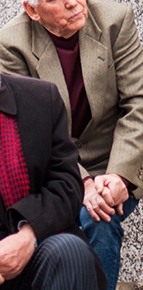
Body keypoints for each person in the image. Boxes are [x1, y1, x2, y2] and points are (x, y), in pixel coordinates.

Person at [0, 0, 143, 290]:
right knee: (78, 227)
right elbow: (29, 134)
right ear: (32, 10)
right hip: (52, 173)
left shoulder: (115, 20)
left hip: (110, 165)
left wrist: (117, 175)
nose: (73, 2)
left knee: (100, 217)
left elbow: (140, 102)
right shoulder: (11, 44)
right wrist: (82, 184)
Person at [0, 71, 103, 289]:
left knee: (69, 252)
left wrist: (28, 236)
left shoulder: (40, 99)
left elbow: (67, 185)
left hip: (34, 248)